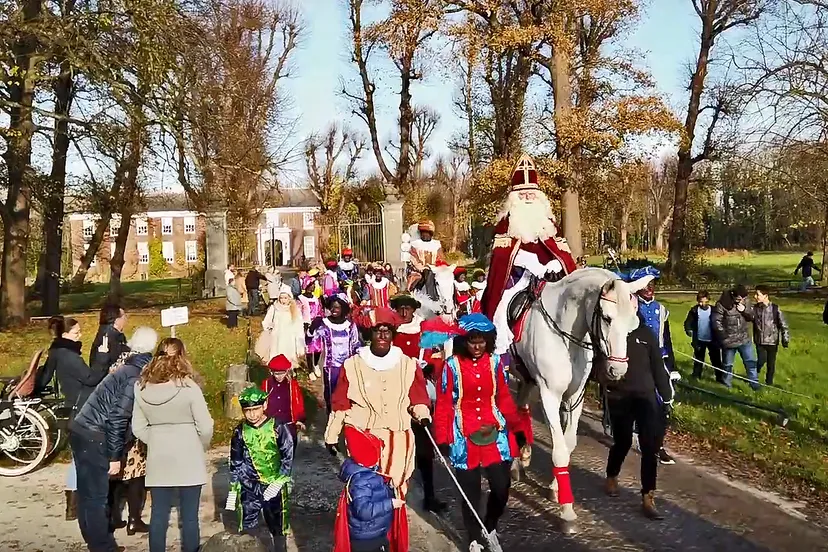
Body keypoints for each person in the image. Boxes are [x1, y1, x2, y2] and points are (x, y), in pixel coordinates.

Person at [324, 308, 432, 551]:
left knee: (395, 495)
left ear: (393, 334)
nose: (382, 335)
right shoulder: (353, 365)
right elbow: (340, 402)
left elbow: (418, 398)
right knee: (367, 495)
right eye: (377, 331)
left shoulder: (407, 364)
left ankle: (391, 541)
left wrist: (422, 415)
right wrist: (332, 434)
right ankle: (368, 542)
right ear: (369, 334)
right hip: (365, 439)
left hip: (398, 439)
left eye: (387, 331)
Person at [433, 314, 527, 551]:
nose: (477, 347)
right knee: (470, 491)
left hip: (494, 432)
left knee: (501, 486)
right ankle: (474, 537)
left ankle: (490, 526)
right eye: (472, 341)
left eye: (481, 341)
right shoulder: (451, 366)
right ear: (464, 341)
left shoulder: (495, 363)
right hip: (463, 436)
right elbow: (444, 403)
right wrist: (442, 437)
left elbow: (504, 397)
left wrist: (516, 427)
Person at [69, 327, 158, 552]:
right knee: (97, 497)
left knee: (87, 493)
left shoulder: (125, 367)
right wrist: (115, 456)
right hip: (95, 434)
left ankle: (95, 541)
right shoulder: (134, 377)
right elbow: (118, 418)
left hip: (81, 427)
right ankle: (103, 547)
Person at [481, 154, 577, 354]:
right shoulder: (506, 223)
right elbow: (501, 256)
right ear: (514, 198)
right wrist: (527, 261)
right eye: (522, 194)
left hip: (550, 278)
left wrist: (557, 264)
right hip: (516, 279)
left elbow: (561, 250)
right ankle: (502, 353)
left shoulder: (548, 222)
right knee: (501, 305)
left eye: (531, 194)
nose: (527, 198)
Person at [132, 338, 214, 552]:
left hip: (159, 455)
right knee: (189, 517)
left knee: (158, 514)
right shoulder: (189, 387)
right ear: (182, 356)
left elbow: (137, 427)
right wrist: (200, 444)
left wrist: (157, 439)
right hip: (188, 453)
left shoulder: (141, 387)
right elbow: (205, 426)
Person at [604, 316, 674, 520]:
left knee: (649, 447)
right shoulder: (611, 332)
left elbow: (658, 367)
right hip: (620, 395)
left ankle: (648, 495)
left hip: (646, 397)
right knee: (623, 441)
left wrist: (667, 397)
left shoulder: (646, 333)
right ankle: (611, 475)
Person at [46, 317, 108, 522]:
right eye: (76, 333)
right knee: (82, 457)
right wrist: (101, 357)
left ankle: (73, 504)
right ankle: (81, 503)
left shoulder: (58, 352)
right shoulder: (69, 356)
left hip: (72, 408)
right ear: (64, 335)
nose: (80, 335)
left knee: (77, 457)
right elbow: (90, 378)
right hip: (80, 408)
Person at [390, 294, 447, 514]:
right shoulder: (391, 332)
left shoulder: (424, 330)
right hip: (396, 393)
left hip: (420, 395)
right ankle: (394, 493)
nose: (404, 313)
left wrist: (430, 366)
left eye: (408, 309)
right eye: (400, 309)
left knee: (424, 447)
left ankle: (430, 495)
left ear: (414, 310)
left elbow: (436, 355)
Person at [227, 387, 294, 552]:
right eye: (247, 410)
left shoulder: (278, 427)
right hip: (249, 485)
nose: (252, 414)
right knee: (248, 524)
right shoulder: (240, 431)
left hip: (273, 484)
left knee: (277, 523)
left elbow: (288, 455)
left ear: (264, 405)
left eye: (255, 409)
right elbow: (236, 460)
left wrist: (280, 480)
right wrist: (234, 486)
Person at [630, 267, 677, 465]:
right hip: (638, 360)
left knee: (663, 403)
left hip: (659, 360)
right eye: (645, 285)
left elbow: (667, 339)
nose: (650, 289)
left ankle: (658, 445)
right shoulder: (630, 307)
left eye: (652, 285)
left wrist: (672, 367)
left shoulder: (662, 310)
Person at [333, 425, 404, 552]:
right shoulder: (361, 480)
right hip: (367, 539)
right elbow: (364, 511)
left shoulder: (370, 473)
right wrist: (390, 504)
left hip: (374, 532)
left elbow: (376, 493)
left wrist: (390, 488)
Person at [712, 285, 759, 390]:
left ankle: (754, 384)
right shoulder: (721, 304)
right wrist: (724, 336)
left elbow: (752, 317)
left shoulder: (745, 301)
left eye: (743, 298)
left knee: (750, 361)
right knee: (727, 364)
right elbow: (716, 322)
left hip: (744, 338)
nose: (742, 300)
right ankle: (726, 385)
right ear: (734, 296)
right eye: (739, 298)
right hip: (729, 340)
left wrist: (744, 310)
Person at [261, 354, 306, 456]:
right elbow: (261, 402)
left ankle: (286, 470)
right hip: (271, 424)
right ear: (271, 372)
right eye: (276, 373)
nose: (279, 376)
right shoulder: (267, 384)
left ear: (287, 371)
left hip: (288, 424)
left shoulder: (292, 385)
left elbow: (298, 402)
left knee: (289, 453)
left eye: (282, 373)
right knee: (273, 453)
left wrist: (299, 419)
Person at [257, 284, 306, 367]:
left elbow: (299, 327)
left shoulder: (295, 310)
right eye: (281, 298)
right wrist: (269, 326)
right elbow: (266, 322)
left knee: (288, 359)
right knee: (276, 359)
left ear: (289, 298)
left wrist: (300, 345)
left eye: (285, 298)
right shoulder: (274, 308)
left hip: (289, 340)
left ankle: (288, 374)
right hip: (276, 339)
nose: (283, 300)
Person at [753, 285, 790, 386]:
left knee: (771, 364)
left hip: (772, 341)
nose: (755, 296)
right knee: (761, 360)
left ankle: (769, 383)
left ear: (766, 296)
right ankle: (754, 374)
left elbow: (783, 325)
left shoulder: (775, 308)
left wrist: (785, 339)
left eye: (758, 294)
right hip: (759, 341)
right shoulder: (755, 308)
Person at [684, 290, 723, 383]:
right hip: (699, 340)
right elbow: (687, 323)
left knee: (716, 360)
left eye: (705, 301)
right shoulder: (694, 311)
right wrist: (689, 330)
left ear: (709, 300)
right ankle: (696, 376)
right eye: (701, 301)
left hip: (712, 340)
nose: (703, 304)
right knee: (698, 360)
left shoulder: (714, 311)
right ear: (698, 301)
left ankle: (720, 378)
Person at [406, 220, 447, 291]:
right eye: (423, 233)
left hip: (435, 269)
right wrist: (422, 267)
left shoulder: (436, 244)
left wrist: (438, 266)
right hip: (419, 270)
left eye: (427, 233)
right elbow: (413, 258)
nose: (425, 235)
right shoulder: (415, 244)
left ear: (430, 234)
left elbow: (440, 258)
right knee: (425, 274)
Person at [90, 304, 129, 374]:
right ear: (116, 320)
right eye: (124, 316)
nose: (126, 319)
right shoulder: (110, 339)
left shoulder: (108, 334)